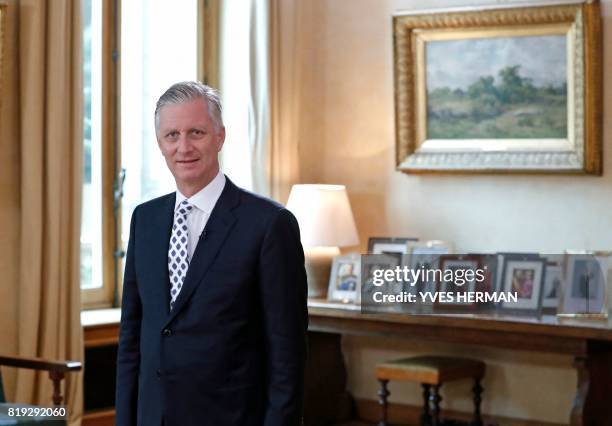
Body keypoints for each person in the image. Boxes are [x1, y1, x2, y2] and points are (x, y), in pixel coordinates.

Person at [115, 81, 308, 426]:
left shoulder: (269, 225)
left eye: (196, 132)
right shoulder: (144, 219)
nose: (184, 147)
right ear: (159, 143)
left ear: (220, 137)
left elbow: (287, 354)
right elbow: (132, 336)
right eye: (171, 135)